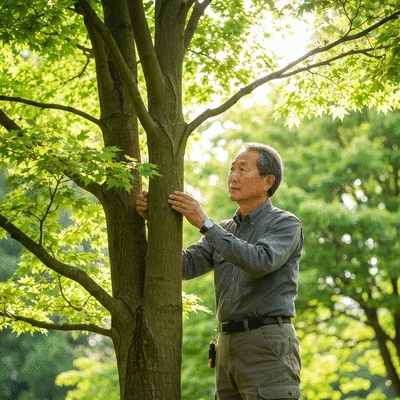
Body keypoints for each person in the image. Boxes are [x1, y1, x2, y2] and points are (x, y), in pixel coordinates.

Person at [136, 143, 303, 400]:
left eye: (242, 169)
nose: (232, 177)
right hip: (226, 345)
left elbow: (259, 261)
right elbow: (184, 266)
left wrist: (205, 224)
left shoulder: (285, 224)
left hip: (267, 343)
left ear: (267, 181)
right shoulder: (224, 230)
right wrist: (154, 222)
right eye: (231, 169)